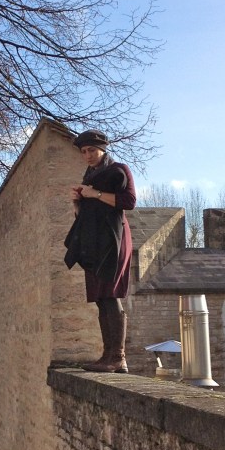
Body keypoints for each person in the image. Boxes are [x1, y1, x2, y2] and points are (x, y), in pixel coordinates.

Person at [63, 129, 136, 372]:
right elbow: (85, 215)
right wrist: (78, 201)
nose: (88, 155)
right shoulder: (89, 175)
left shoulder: (119, 170)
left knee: (110, 294)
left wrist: (95, 194)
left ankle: (118, 357)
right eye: (84, 151)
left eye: (92, 150)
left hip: (114, 239)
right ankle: (107, 355)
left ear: (103, 149)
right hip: (95, 242)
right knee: (101, 298)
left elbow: (129, 202)